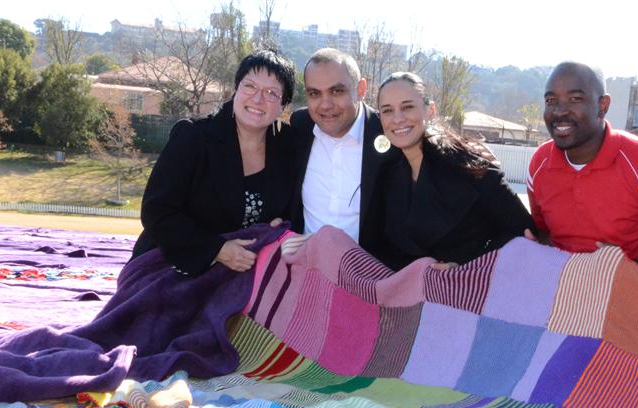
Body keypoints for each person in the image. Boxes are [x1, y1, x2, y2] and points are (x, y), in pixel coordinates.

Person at [132, 49, 298, 276]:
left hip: (246, 273)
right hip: (172, 267)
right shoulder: (193, 136)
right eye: (250, 86)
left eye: (271, 93)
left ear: (283, 105)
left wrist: (280, 224)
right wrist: (216, 250)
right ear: (236, 90)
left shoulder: (288, 146)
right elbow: (156, 211)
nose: (258, 99)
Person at [526, 62, 638, 276]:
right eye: (551, 101)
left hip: (630, 295)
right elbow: (544, 232)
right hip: (560, 293)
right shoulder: (539, 163)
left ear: (603, 105)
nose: (559, 111)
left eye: (575, 99)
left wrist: (623, 273)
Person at [367, 72, 534, 270]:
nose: (397, 118)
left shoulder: (469, 166)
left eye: (408, 107)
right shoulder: (386, 174)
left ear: (430, 111)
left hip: (470, 285)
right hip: (406, 287)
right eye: (387, 110)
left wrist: (466, 267)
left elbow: (523, 231)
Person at [290, 48, 389, 250]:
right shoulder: (300, 126)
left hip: (366, 266)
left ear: (361, 89)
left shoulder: (387, 134)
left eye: (337, 91)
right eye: (314, 93)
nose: (325, 105)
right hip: (303, 262)